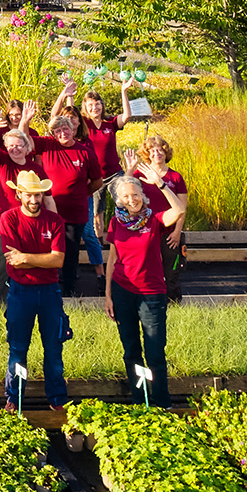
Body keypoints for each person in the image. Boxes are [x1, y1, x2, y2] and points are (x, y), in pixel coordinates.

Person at [104, 170, 186, 406]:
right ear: (120, 200)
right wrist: (108, 296)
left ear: (143, 195)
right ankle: (140, 400)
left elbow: (179, 210)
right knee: (131, 351)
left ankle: (161, 401)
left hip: (151, 293)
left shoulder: (155, 219)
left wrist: (160, 183)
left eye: (135, 194)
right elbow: (111, 260)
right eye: (126, 196)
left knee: (155, 352)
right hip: (122, 291)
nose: (132, 199)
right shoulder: (115, 221)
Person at [0, 169, 68, 413]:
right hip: (20, 291)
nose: (34, 200)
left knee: (54, 348)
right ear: (19, 194)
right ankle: (14, 397)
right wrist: (43, 258)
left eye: (38, 195)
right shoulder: (8, 218)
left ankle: (57, 398)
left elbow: (58, 261)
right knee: (17, 347)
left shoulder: (55, 221)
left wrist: (26, 257)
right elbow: (11, 260)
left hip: (49, 291)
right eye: (29, 195)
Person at [34, 99, 103, 298]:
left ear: (74, 130)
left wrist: (83, 192)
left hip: (75, 212)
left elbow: (97, 181)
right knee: (47, 249)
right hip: (48, 210)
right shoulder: (47, 145)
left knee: (70, 252)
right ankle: (48, 287)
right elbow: (26, 139)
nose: (63, 133)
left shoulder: (85, 152)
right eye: (58, 131)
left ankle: (70, 290)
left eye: (66, 129)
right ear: (54, 133)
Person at [0, 106, 43, 306]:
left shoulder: (34, 168)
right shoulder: (0, 160)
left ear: (27, 147)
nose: (15, 149)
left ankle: (24, 301)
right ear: (6, 147)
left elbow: (46, 198)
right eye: (11, 145)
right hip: (1, 225)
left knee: (27, 264)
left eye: (19, 145)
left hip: (29, 224)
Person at [75, 80, 134, 282]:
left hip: (114, 173)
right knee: (97, 214)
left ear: (102, 105)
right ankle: (100, 246)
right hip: (94, 177)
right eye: (90, 105)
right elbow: (69, 116)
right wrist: (68, 94)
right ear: (86, 108)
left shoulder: (110, 124)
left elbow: (127, 117)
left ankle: (126, 238)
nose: (95, 107)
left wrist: (123, 91)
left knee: (125, 203)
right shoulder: (85, 124)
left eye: (97, 104)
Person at [130, 134, 190, 301]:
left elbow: (182, 207)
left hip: (169, 232)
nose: (157, 153)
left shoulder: (175, 177)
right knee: (146, 270)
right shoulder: (139, 174)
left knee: (171, 273)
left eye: (160, 150)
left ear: (166, 153)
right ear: (147, 154)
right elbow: (126, 193)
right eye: (153, 150)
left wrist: (177, 232)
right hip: (146, 230)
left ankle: (174, 305)